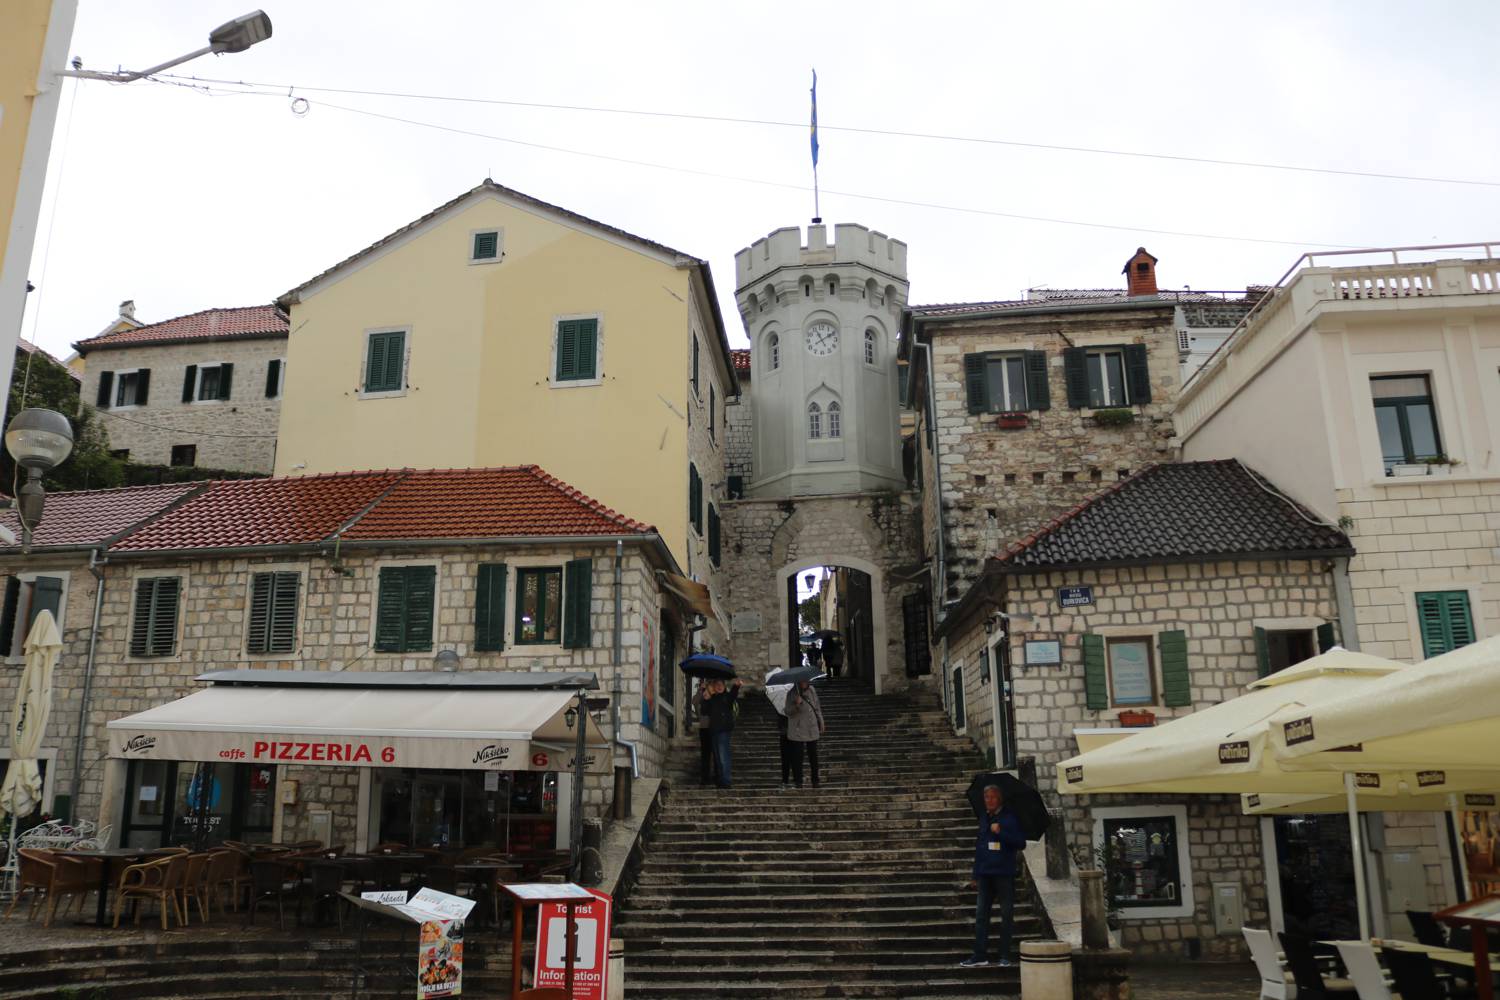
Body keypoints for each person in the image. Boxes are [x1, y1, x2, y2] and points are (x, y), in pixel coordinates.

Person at [961, 784, 1025, 968]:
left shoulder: (1009, 818)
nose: (989, 800)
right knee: (981, 915)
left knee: (1006, 915)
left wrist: (1001, 832)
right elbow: (980, 847)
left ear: (1000, 799)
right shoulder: (984, 818)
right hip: (986, 873)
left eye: (992, 797)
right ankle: (979, 954)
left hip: (1004, 873)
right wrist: (975, 874)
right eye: (986, 797)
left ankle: (1004, 954)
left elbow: (1020, 843)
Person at [784, 679, 825, 789]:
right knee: (798, 757)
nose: (804, 682)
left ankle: (815, 780)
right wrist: (796, 705)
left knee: (813, 756)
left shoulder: (812, 690)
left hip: (811, 727)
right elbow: (787, 711)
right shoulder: (791, 693)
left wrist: (821, 721)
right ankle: (798, 781)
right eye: (802, 680)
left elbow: (817, 707)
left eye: (806, 680)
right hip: (798, 729)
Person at [703, 678, 742, 789]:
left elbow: (733, 695)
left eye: (721, 684)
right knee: (717, 757)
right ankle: (720, 779)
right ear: (714, 687)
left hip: (724, 730)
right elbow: (704, 711)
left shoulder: (727, 697)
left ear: (724, 686)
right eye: (717, 685)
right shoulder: (712, 698)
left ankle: (726, 780)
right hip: (714, 730)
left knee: (723, 755)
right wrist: (705, 697)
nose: (719, 687)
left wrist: (736, 686)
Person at [692, 680, 717, 786]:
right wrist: (700, 690)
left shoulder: (715, 702)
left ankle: (717, 776)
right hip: (704, 730)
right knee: (705, 755)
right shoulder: (701, 703)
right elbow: (694, 701)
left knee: (716, 754)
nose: (706, 694)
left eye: (708, 692)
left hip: (714, 729)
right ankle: (705, 778)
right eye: (705, 692)